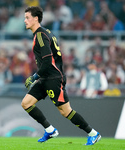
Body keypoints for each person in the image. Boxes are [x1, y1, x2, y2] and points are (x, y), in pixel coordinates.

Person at [21, 6, 101, 145]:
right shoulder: (46, 33)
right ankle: (50, 130)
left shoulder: (40, 35)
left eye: (27, 17)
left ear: (35, 19)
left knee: (65, 111)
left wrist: (34, 77)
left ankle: (93, 133)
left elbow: (47, 61)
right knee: (26, 103)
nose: (25, 20)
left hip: (52, 78)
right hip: (45, 77)